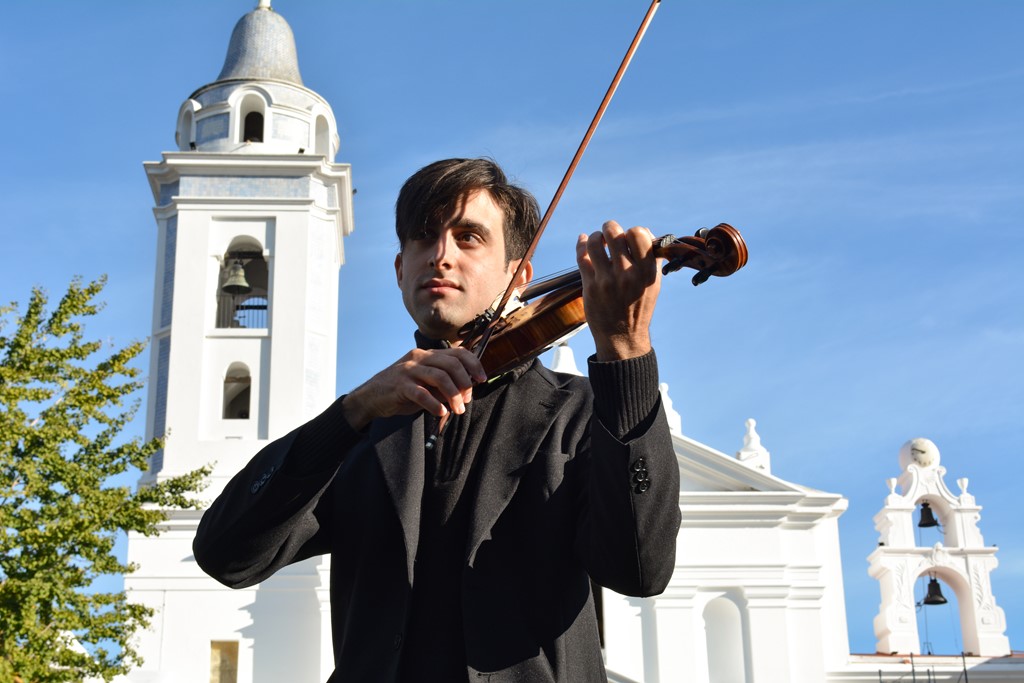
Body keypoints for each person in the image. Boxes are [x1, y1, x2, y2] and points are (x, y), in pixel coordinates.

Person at [193, 158, 682, 682]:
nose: (441, 256)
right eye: (423, 238)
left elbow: (638, 569)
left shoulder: (582, 411)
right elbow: (227, 555)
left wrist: (626, 354)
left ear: (518, 276)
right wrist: (351, 412)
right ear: (401, 269)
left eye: (469, 237)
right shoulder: (361, 428)